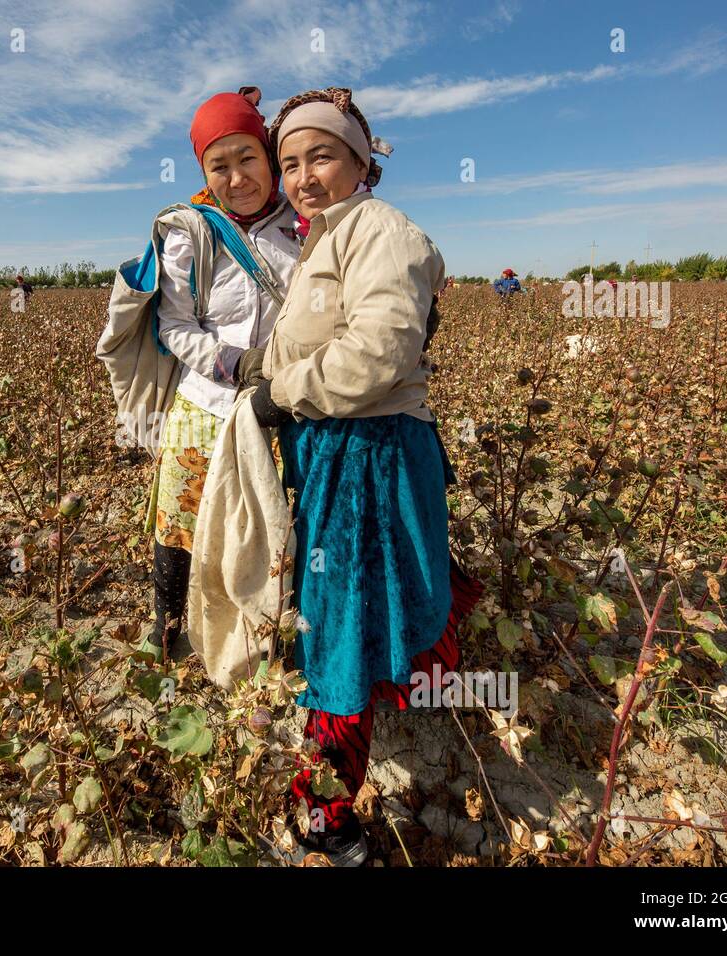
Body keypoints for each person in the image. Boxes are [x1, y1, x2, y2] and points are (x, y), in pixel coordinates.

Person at [249, 87, 483, 865]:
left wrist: (281, 394)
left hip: (368, 456)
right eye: (290, 162)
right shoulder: (324, 240)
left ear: (361, 162)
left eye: (322, 155)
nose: (305, 176)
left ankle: (324, 817)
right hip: (339, 450)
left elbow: (379, 351)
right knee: (367, 605)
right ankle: (424, 677)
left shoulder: (380, 230)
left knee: (337, 632)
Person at [135, 87, 301, 663]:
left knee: (269, 521)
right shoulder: (191, 232)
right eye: (219, 165)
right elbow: (175, 325)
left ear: (270, 155)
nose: (236, 177)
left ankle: (268, 632)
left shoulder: (305, 226)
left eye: (247, 158)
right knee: (180, 515)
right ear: (205, 170)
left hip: (281, 407)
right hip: (203, 401)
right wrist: (233, 363)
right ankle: (167, 621)